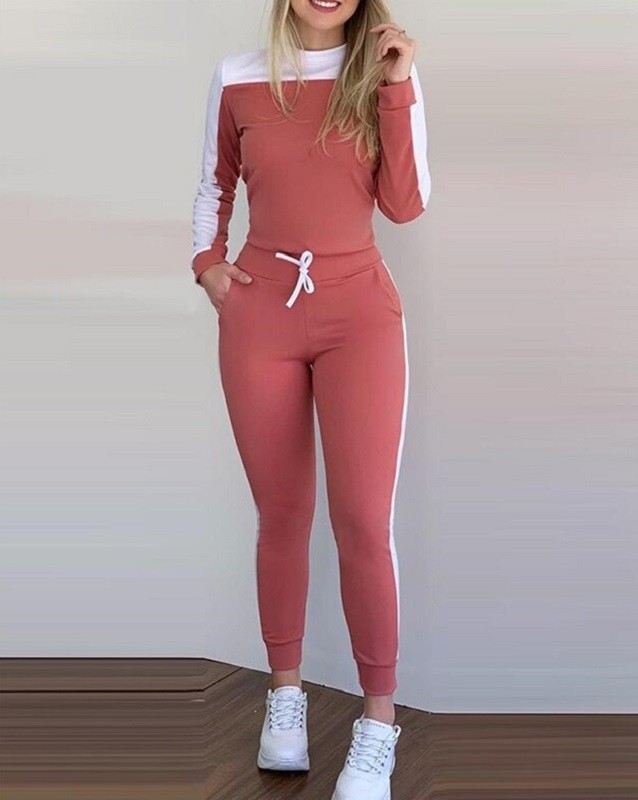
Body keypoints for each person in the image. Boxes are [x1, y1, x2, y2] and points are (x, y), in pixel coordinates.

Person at [191, 1, 430, 796]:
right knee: (282, 515)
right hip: (261, 313)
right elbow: (214, 183)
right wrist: (207, 263)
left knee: (362, 522)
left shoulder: (383, 74)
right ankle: (285, 700)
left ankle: (378, 726)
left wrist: (397, 87)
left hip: (359, 315)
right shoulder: (237, 77)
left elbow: (406, 202)